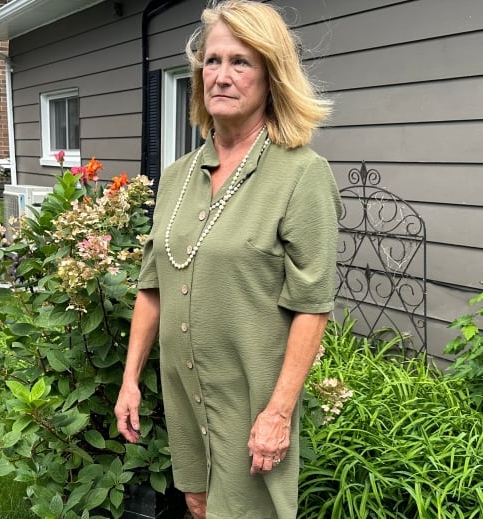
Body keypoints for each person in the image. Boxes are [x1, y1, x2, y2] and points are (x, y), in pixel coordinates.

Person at [114, 1, 342, 518]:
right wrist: (130, 380)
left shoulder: (300, 175)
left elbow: (313, 304)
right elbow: (152, 287)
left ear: (271, 77)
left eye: (240, 62)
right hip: (185, 396)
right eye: (211, 62)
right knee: (198, 506)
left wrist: (279, 412)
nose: (220, 76)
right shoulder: (176, 177)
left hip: (251, 403)